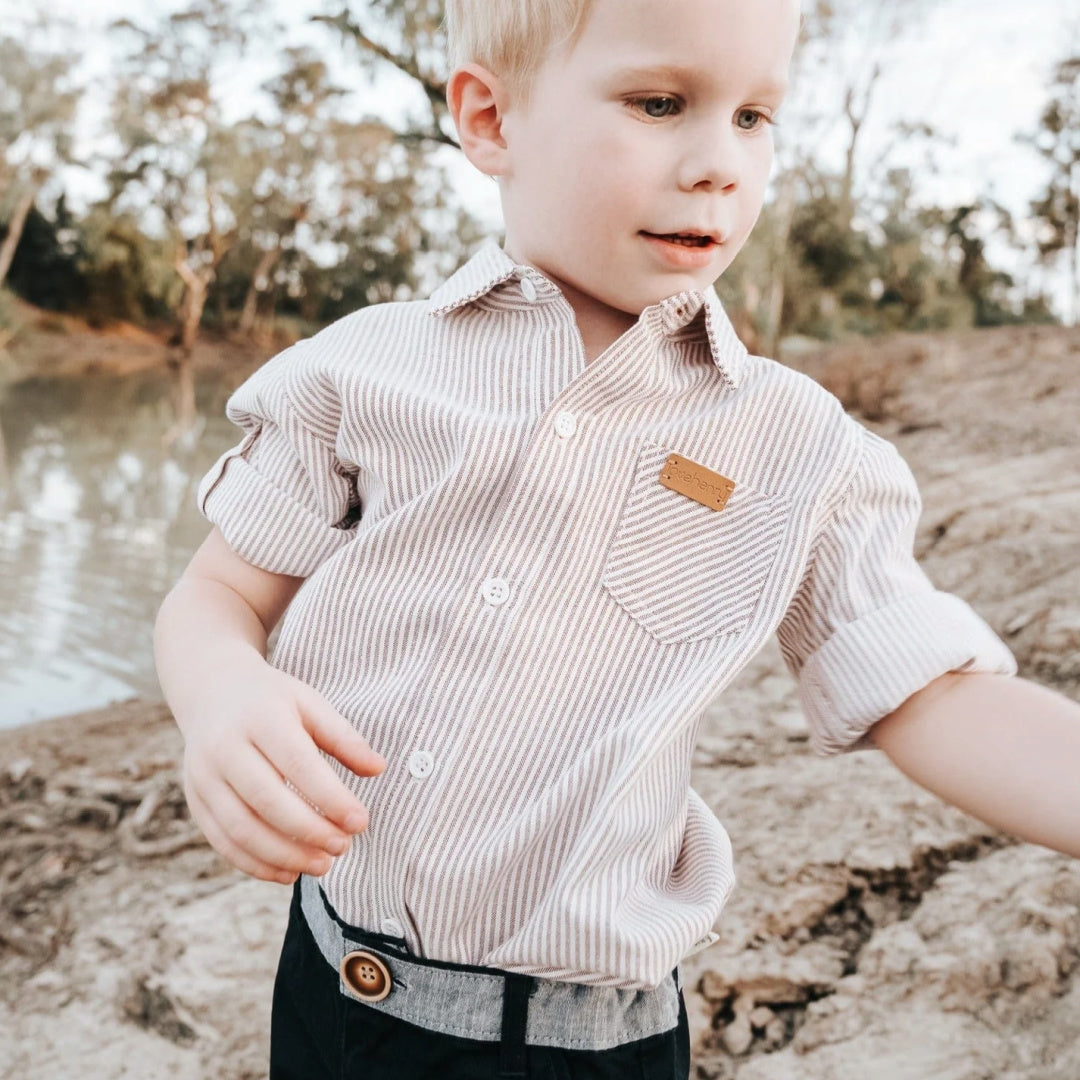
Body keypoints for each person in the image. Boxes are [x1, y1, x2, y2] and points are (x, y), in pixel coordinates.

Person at [153, 0, 1080, 1076]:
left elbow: (932, 691)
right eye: (661, 103)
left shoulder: (798, 446)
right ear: (491, 119)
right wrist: (220, 692)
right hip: (324, 980)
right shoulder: (361, 371)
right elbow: (215, 598)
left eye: (754, 116)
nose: (719, 164)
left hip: (581, 1047)